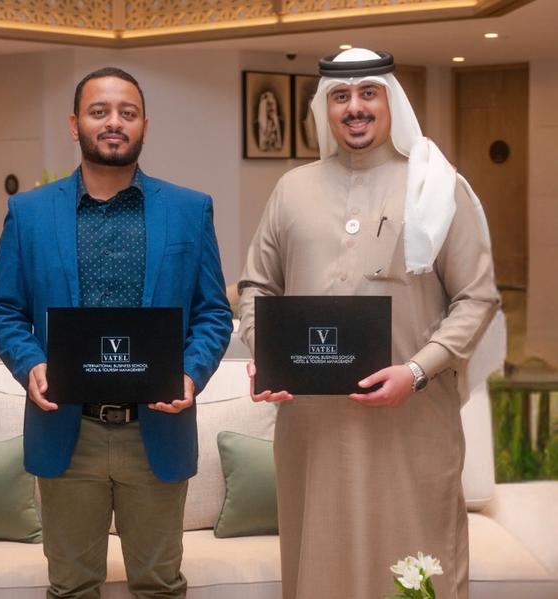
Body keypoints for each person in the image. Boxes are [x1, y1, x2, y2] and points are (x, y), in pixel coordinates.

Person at [238, 48, 500, 599]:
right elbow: (255, 286)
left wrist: (416, 371)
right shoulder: (292, 189)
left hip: (411, 422)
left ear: (390, 101)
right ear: (325, 108)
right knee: (319, 563)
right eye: (340, 96)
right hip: (312, 428)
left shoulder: (436, 187)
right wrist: (269, 353)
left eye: (367, 93)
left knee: (415, 562)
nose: (354, 107)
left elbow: (476, 299)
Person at [0, 66, 232, 598]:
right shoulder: (28, 214)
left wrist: (191, 375)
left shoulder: (189, 210)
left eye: (127, 112)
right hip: (67, 431)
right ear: (74, 124)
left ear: (145, 124)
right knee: (71, 587)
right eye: (99, 112)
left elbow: (213, 313)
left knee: (160, 586)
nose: (114, 122)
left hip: (158, 428)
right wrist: (32, 364)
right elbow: (5, 311)